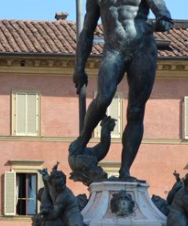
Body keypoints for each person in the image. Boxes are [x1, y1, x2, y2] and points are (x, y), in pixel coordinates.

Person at [72, 0, 172, 180]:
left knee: (136, 111)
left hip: (143, 48)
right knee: (104, 98)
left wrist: (163, 20)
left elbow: (162, 12)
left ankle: (125, 170)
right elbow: (87, 31)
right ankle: (83, 139)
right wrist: (79, 68)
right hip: (114, 48)